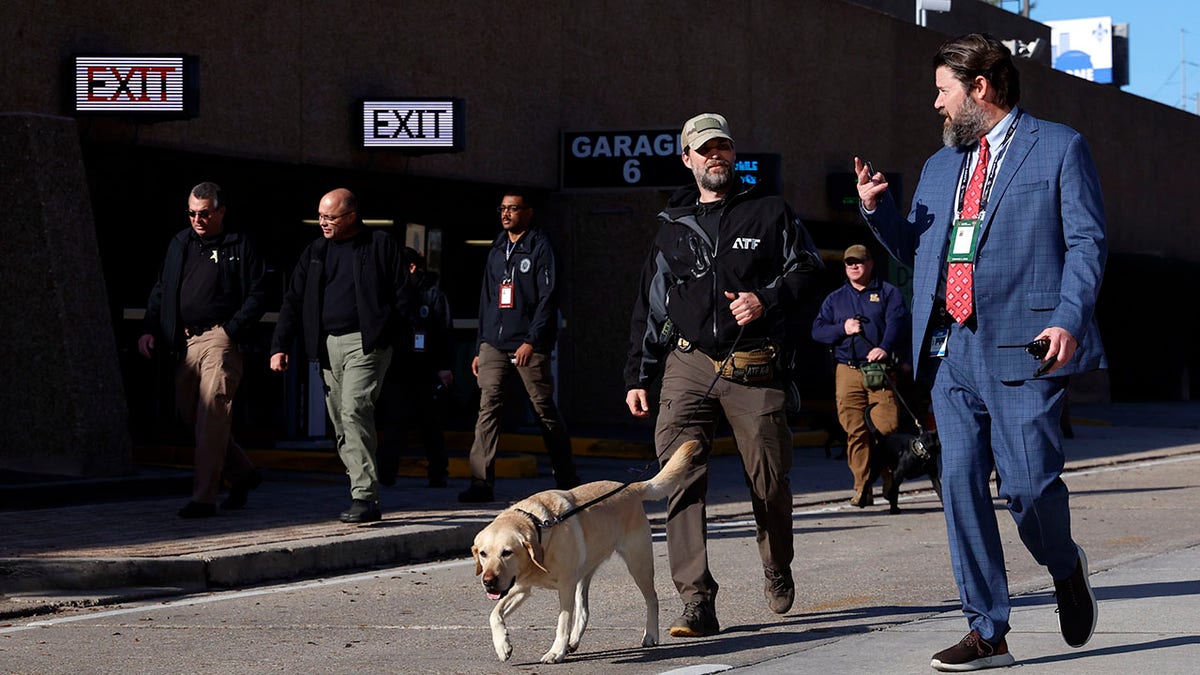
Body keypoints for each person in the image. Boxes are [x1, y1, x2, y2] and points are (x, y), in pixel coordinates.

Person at [856, 33, 1105, 671]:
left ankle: (1063, 562)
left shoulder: (1058, 148)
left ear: (980, 90)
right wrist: (878, 212)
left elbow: (1086, 243)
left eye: (943, 91)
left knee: (1026, 486)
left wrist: (1069, 319)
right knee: (959, 484)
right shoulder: (941, 168)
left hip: (1028, 346)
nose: (936, 105)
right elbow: (919, 252)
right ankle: (986, 629)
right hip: (951, 350)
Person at [624, 113, 822, 637]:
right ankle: (696, 600)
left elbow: (808, 269)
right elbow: (649, 307)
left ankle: (777, 562)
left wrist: (767, 300)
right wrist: (637, 376)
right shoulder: (670, 226)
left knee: (769, 479)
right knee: (680, 477)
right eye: (704, 149)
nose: (716, 156)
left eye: (724, 148)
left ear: (734, 155)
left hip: (754, 363)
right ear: (688, 159)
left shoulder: (769, 210)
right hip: (687, 365)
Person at [270, 188, 412, 523]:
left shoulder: (378, 245)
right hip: (327, 345)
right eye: (320, 216)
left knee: (354, 409)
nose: (323, 222)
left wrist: (389, 334)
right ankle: (362, 489)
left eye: (330, 217)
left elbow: (403, 295)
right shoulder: (316, 252)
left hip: (367, 344)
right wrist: (279, 345)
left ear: (351, 216)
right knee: (341, 422)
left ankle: (365, 496)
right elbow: (292, 300)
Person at [138, 182, 268, 519]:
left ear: (221, 212)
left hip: (220, 339)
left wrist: (231, 330)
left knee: (212, 416)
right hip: (182, 342)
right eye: (192, 213)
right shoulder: (180, 243)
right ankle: (243, 473)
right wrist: (150, 329)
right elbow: (162, 289)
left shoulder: (240, 245)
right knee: (191, 417)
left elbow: (259, 293)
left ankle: (204, 498)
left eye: (205, 213)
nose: (197, 219)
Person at [458, 189, 580, 503]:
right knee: (488, 407)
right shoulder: (497, 248)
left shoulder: (541, 247)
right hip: (494, 343)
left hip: (528, 343)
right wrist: (480, 345)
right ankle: (481, 482)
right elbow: (487, 298)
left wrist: (532, 341)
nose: (506, 213)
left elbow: (547, 298)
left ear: (528, 212)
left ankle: (566, 476)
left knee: (543, 409)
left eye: (513, 208)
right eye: (502, 208)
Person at [811, 244, 908, 507]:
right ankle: (862, 487)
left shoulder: (888, 293)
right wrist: (842, 327)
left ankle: (890, 482)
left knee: (886, 430)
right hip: (847, 370)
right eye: (848, 262)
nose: (854, 266)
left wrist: (884, 348)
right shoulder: (835, 299)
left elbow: (898, 323)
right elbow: (817, 331)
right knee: (855, 431)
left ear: (870, 264)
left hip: (879, 370)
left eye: (859, 262)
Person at [376, 247, 454, 488]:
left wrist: (444, 367)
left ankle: (438, 472)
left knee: (430, 423)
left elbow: (444, 332)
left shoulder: (432, 295)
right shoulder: (392, 294)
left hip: (426, 368)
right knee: (393, 423)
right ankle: (386, 473)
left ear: (411, 268)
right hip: (397, 368)